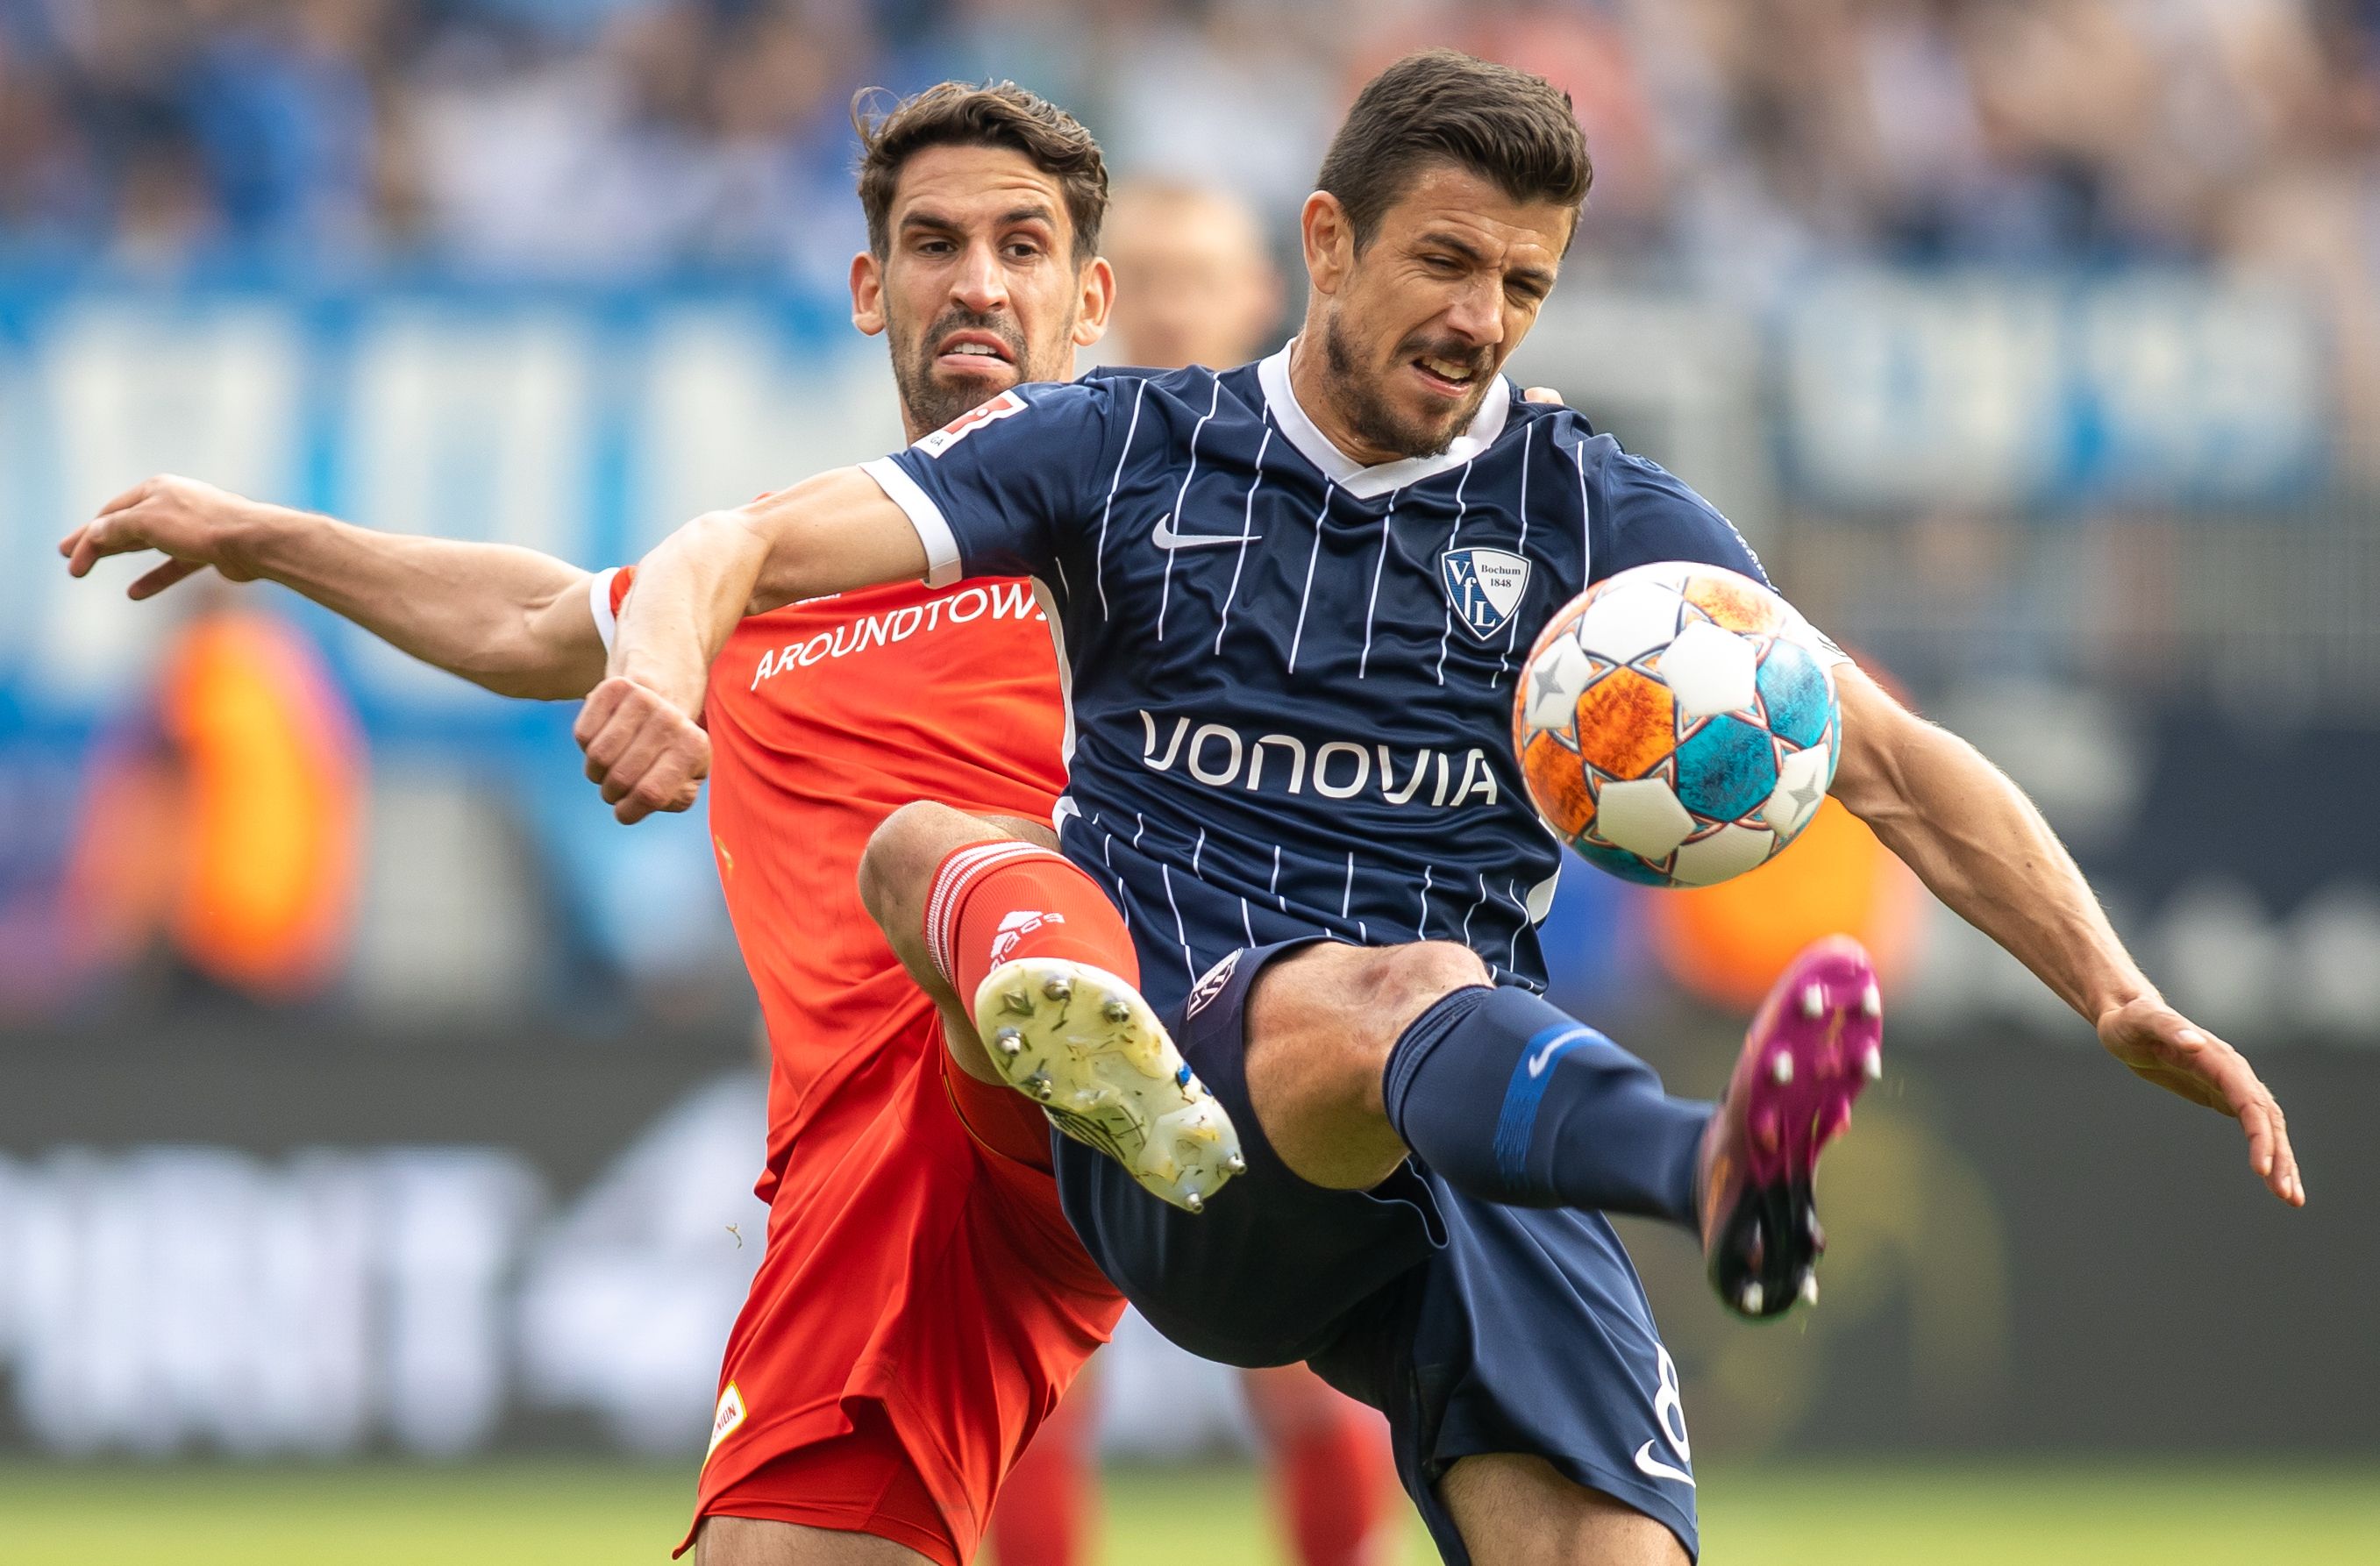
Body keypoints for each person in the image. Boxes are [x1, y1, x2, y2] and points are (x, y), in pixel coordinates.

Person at [577, 48, 2303, 1566]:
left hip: (1481, 1144)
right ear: (1326, 242)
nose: (1481, 315)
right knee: (1358, 969)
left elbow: (1896, 765)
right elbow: (740, 545)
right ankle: (1709, 1165)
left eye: (1524, 284)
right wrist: (657, 667)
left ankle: (1667, 1169)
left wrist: (2117, 990)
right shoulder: (1121, 452)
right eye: (1447, 260)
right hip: (1200, 1120)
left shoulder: (1594, 509)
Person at [67, 81, 1131, 1566]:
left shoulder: (1133, 544)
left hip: (990, 1114)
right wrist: (266, 537)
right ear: (866, 286)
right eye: (935, 241)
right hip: (841, 1173)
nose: (976, 281)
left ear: (1087, 299)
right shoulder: (765, 563)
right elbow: (530, 618)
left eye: (1022, 248)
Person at [985, 175, 1401, 1566]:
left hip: (1249, 960)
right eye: (1139, 277)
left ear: (1260, 301)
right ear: (1097, 305)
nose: (1167, 303)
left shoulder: (1340, 518)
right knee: (1037, 1359)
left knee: (1302, 1355)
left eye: (1196, 276)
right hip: (1053, 953)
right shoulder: (1012, 487)